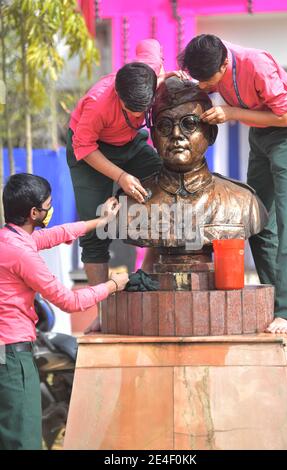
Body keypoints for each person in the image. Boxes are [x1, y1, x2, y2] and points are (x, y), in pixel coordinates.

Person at [179, 34, 287, 335]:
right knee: (257, 217)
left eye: (208, 80)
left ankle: (286, 313)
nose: (205, 86)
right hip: (260, 134)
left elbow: (283, 117)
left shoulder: (256, 65)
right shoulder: (209, 55)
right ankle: (272, 302)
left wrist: (231, 114)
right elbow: (194, 78)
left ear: (224, 64)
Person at [0, 173, 128, 450]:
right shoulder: (23, 255)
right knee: (23, 442)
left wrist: (99, 222)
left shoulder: (8, 239)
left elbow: (51, 235)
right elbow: (68, 301)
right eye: (48, 205)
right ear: (34, 212)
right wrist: (112, 285)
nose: (51, 208)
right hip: (11, 357)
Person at [67, 38, 187, 333]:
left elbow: (149, 43)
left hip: (131, 146)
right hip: (91, 153)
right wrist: (120, 176)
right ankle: (103, 313)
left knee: (173, 183)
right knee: (94, 229)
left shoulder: (149, 73)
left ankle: (143, 275)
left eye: (141, 110)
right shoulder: (98, 102)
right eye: (131, 111)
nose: (137, 116)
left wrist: (166, 75)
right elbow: (83, 146)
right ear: (117, 95)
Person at [123, 77, 268, 248]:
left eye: (189, 123)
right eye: (165, 126)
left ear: (211, 134)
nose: (176, 134)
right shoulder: (129, 203)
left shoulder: (244, 202)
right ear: (154, 137)